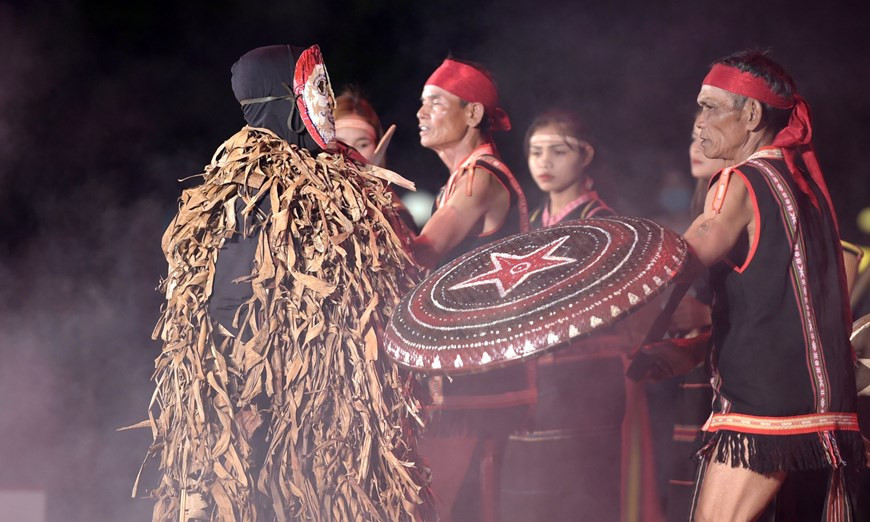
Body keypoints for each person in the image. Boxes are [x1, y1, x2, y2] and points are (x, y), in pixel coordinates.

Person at [139, 44, 434, 521]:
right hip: (280, 426)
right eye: (317, 89)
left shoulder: (336, 180)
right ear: (284, 103)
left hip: (337, 427)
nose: (328, 101)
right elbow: (225, 318)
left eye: (328, 87)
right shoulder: (248, 193)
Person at [630, 50, 864, 520]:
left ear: (752, 114)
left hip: (767, 412)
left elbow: (686, 256)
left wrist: (599, 294)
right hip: (821, 407)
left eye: (710, 106)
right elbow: (775, 307)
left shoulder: (740, 180)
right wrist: (693, 348)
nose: (698, 122)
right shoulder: (803, 185)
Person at [412, 57, 530, 522]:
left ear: (474, 113)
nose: (421, 113)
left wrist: (355, 191)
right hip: (465, 378)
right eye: (421, 103)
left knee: (462, 509)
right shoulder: (457, 181)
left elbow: (423, 250)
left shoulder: (481, 175)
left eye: (435, 103)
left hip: (482, 384)